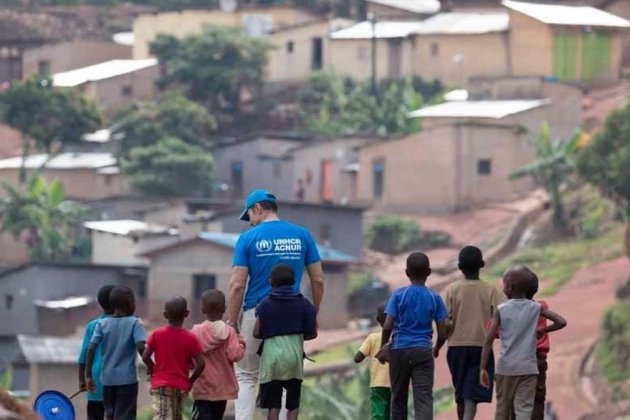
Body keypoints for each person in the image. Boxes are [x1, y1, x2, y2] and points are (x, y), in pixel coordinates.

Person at [227, 189, 324, 420]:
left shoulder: (248, 239)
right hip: (291, 318)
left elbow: (237, 285)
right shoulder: (302, 235)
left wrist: (232, 321)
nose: (250, 223)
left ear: (258, 209)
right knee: (284, 376)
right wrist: (313, 312)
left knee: (247, 375)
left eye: (249, 215)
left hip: (255, 312)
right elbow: (318, 279)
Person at [480, 266, 567, 420]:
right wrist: (543, 330)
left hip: (506, 368)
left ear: (510, 286)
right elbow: (561, 322)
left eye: (504, 283)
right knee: (524, 411)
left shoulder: (501, 309)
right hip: (529, 368)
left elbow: (488, 339)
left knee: (503, 410)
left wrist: (483, 368)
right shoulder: (536, 307)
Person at [376, 252, 448, 420]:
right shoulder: (435, 297)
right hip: (423, 350)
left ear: (407, 272)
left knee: (399, 399)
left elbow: (387, 325)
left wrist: (383, 347)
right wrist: (436, 348)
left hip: (399, 350)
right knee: (423, 398)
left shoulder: (398, 294)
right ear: (429, 272)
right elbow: (443, 332)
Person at [442, 246, 503, 420]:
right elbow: (503, 314)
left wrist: (441, 341)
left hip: (456, 347)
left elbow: (445, 321)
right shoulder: (492, 290)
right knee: (472, 392)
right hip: (481, 347)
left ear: (459, 267)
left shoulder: (452, 289)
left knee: (461, 391)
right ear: (482, 264)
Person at [253, 264, 318, 420]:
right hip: (294, 359)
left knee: (273, 405)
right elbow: (312, 333)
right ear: (293, 281)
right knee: (293, 404)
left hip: (271, 359)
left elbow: (256, 333)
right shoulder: (305, 303)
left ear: (271, 282)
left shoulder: (265, 303)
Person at [86, 286, 147, 420]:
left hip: (107, 379)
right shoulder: (135, 323)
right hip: (127, 380)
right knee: (125, 414)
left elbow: (91, 348)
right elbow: (141, 347)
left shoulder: (102, 324)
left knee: (111, 414)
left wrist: (88, 375)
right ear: (130, 301)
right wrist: (152, 367)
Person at [142, 297, 206, 420]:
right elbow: (201, 364)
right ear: (186, 314)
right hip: (181, 386)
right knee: (176, 417)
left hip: (161, 385)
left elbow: (145, 356)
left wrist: (153, 369)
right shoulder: (191, 338)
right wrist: (190, 381)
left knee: (162, 415)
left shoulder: (157, 334)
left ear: (165, 315)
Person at [190, 290, 246, 420]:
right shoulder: (230, 332)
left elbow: (189, 357)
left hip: (202, 389)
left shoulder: (195, 332)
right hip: (222, 390)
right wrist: (241, 341)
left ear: (203, 309)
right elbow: (235, 356)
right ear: (224, 308)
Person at [78, 285, 115, 420]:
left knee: (94, 416)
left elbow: (83, 355)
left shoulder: (92, 325)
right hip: (116, 382)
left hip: (94, 381)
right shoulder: (124, 325)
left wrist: (82, 380)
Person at [354, 302, 391, 420]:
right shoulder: (399, 337)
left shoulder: (372, 338)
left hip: (378, 384)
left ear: (378, 320)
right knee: (396, 413)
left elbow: (357, 358)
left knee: (379, 415)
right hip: (397, 383)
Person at [525, 272, 551, 420]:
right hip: (539, 359)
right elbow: (560, 322)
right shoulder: (542, 306)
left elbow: (495, 332)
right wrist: (543, 330)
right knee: (537, 400)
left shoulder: (507, 310)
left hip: (518, 360)